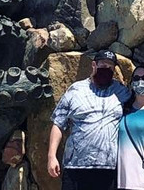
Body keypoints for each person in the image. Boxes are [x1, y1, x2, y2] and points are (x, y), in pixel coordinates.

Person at [48, 50, 132, 190]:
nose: (107, 70)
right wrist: (52, 156)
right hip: (75, 167)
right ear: (94, 65)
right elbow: (58, 123)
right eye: (103, 66)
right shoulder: (75, 90)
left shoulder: (120, 91)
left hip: (108, 168)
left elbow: (138, 107)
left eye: (110, 68)